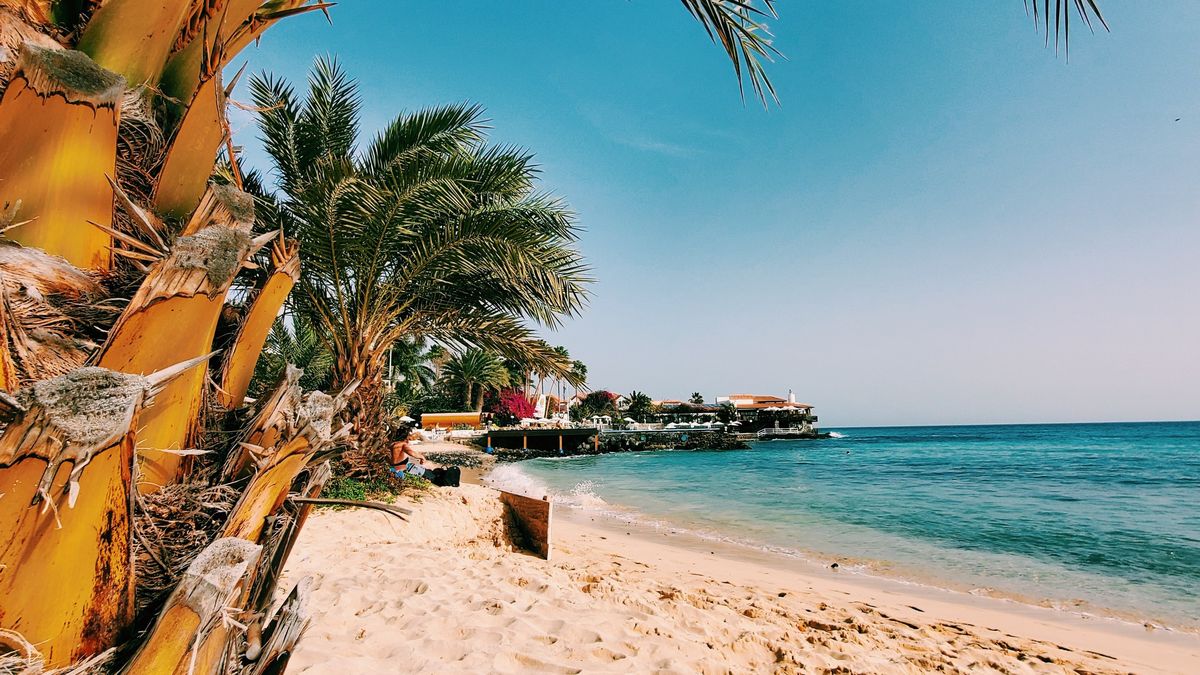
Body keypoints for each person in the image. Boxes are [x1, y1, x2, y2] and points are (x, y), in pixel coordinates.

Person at [390, 434, 460, 487]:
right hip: (411, 469)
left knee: (431, 471)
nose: (409, 441)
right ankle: (447, 480)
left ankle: (442, 475)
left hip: (406, 468)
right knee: (432, 476)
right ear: (405, 438)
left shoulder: (392, 445)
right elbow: (412, 453)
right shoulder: (402, 444)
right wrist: (421, 457)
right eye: (408, 439)